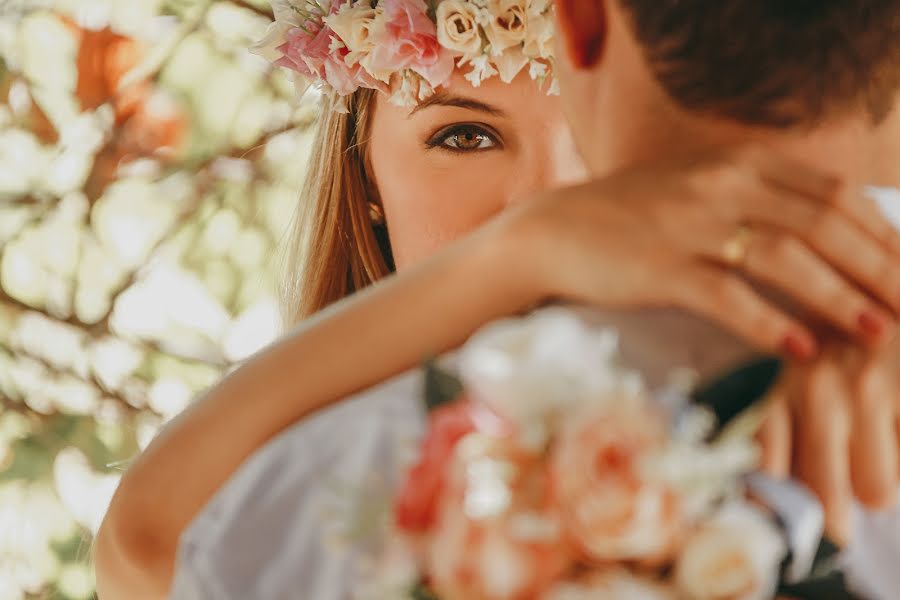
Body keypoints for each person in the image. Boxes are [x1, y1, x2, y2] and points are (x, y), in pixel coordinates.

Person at [93, 0, 900, 597]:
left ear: (583, 29)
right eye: (465, 135)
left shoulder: (326, 490)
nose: (550, 195)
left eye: (575, 150)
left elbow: (153, 546)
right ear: (362, 174)